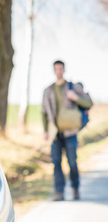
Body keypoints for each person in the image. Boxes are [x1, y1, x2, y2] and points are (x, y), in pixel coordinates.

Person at [42, 60, 92, 201]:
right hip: (55, 133)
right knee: (56, 162)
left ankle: (75, 188)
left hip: (70, 132)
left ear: (64, 70)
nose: (58, 71)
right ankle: (59, 192)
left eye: (60, 69)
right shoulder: (48, 90)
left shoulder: (72, 87)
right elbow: (44, 112)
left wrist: (75, 97)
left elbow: (88, 102)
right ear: (54, 70)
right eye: (56, 69)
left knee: (72, 162)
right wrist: (46, 130)